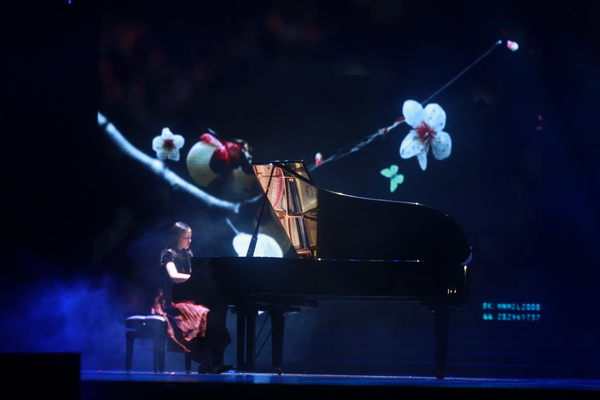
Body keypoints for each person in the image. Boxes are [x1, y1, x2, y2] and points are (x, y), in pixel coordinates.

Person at [151, 221, 231, 374]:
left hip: (186, 297)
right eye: (186, 237)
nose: (190, 240)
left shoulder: (188, 254)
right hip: (170, 300)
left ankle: (215, 362)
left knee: (217, 309)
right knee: (204, 313)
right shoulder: (168, 254)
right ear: (177, 237)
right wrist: (194, 278)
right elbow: (173, 276)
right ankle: (207, 362)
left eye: (190, 237)